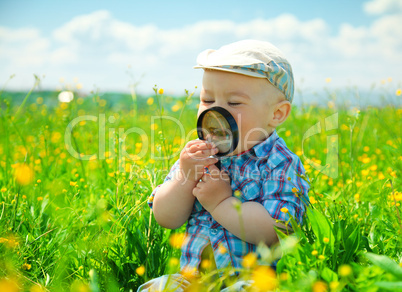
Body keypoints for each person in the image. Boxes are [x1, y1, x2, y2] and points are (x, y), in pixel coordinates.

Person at [137, 39, 310, 291]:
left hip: (253, 278)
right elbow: (165, 218)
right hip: (191, 279)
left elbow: (278, 230)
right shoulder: (197, 157)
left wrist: (221, 204)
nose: (216, 111)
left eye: (234, 103)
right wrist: (185, 178)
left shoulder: (278, 163)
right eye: (207, 100)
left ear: (276, 114)